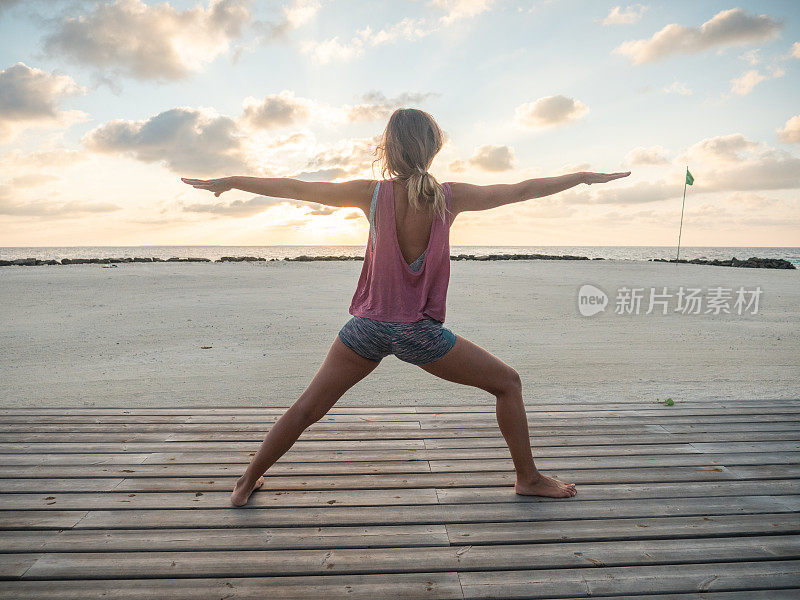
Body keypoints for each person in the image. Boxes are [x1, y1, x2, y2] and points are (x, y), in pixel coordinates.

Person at [181, 108, 630, 507]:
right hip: (420, 334)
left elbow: (298, 188)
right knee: (508, 384)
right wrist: (582, 177)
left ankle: (243, 485)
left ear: (388, 149)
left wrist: (234, 181)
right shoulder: (450, 197)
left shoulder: (371, 194)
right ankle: (528, 478)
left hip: (366, 329)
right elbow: (524, 189)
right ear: (432, 149)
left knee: (306, 410)